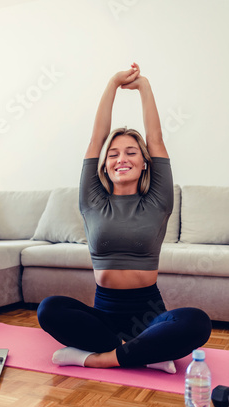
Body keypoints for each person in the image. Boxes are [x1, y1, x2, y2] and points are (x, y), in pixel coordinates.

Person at [37, 63, 211, 373]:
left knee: (196, 323)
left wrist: (143, 86)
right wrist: (112, 84)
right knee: (49, 309)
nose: (121, 159)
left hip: (149, 316)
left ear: (145, 162)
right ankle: (145, 354)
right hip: (103, 317)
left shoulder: (158, 201)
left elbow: (155, 139)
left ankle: (97, 358)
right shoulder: (92, 201)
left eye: (131, 152)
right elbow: (96, 139)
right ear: (103, 165)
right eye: (114, 154)